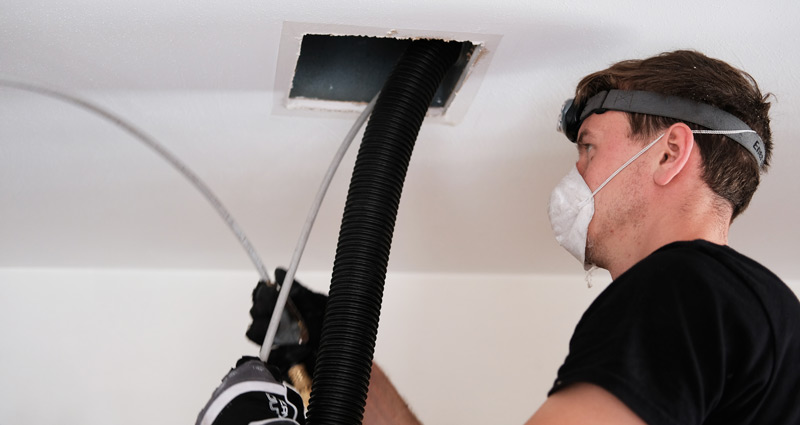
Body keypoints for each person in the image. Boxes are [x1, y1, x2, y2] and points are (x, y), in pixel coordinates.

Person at [250, 50, 800, 425]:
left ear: (669, 152)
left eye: (588, 146)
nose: (576, 172)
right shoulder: (744, 309)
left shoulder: (679, 287)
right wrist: (340, 360)